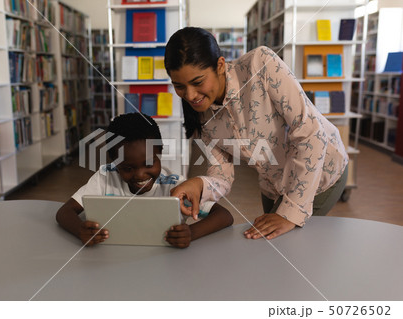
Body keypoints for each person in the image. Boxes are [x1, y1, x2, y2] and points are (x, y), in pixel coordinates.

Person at [164, 27, 349, 240]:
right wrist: (198, 184)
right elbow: (222, 176)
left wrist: (290, 214)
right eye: (179, 86)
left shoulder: (261, 64)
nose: (190, 95)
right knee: (270, 250)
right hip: (273, 185)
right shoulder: (203, 116)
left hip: (321, 171)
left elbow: (311, 133)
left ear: (220, 65)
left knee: (288, 251)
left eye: (197, 82)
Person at [56, 112, 233, 248]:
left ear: (160, 153)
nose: (140, 175)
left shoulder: (176, 186)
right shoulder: (105, 178)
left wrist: (191, 233)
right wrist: (80, 231)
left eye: (149, 164)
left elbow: (224, 216)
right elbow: (64, 212)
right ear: (114, 163)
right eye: (127, 168)